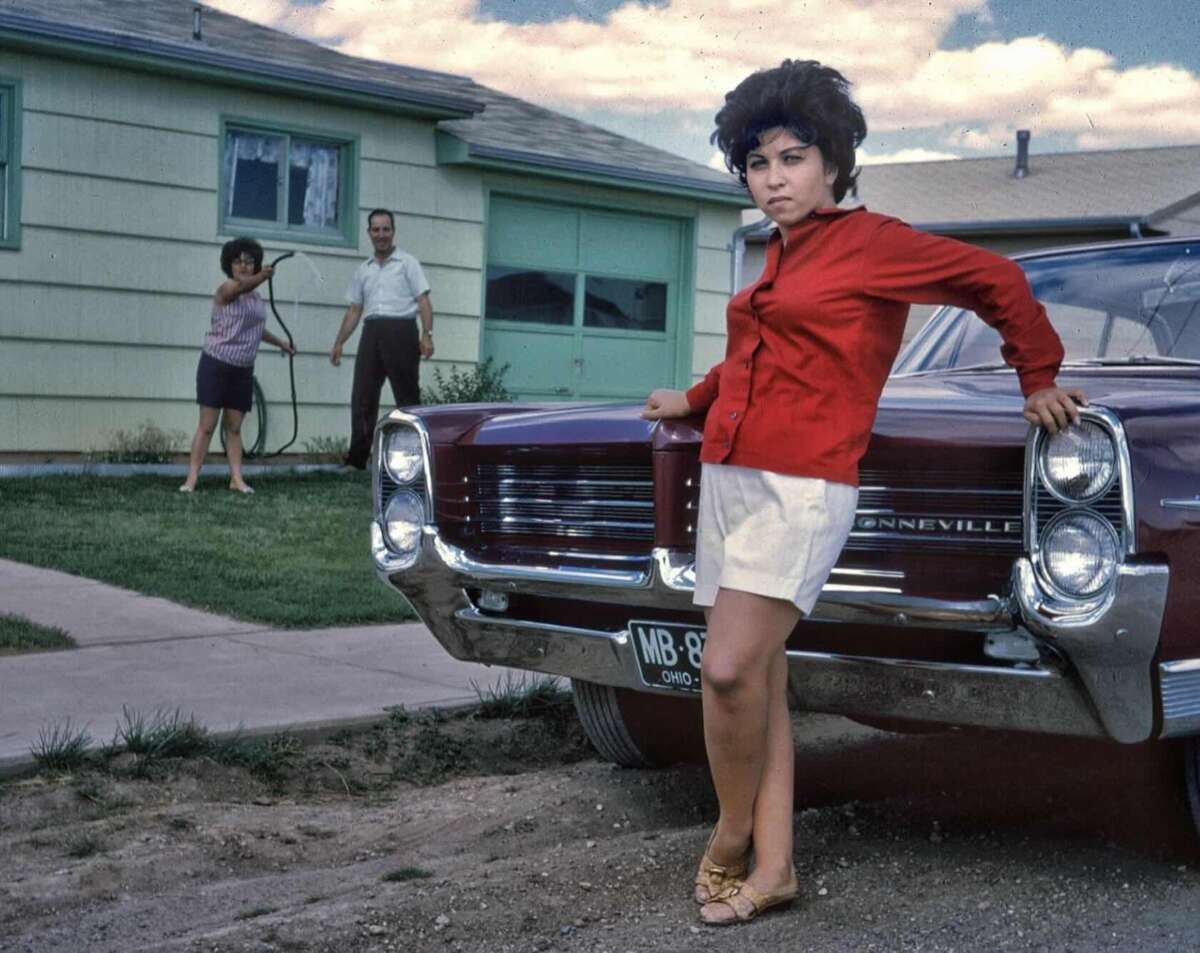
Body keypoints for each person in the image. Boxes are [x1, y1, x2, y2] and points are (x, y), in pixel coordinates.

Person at [641, 60, 1087, 927]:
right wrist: (692, 399)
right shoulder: (778, 255)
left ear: (834, 161)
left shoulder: (874, 243)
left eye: (793, 157)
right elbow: (753, 357)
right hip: (732, 475)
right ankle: (776, 868)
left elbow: (996, 281)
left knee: (725, 670)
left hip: (802, 486)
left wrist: (1037, 375)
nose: (774, 178)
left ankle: (729, 837)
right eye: (758, 163)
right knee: (759, 675)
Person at [180, 238, 295, 494]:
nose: (243, 266)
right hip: (216, 364)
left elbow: (256, 329)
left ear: (256, 264)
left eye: (249, 261)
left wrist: (281, 343)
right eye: (238, 261)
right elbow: (241, 286)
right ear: (229, 265)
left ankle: (236, 479)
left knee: (234, 428)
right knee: (207, 426)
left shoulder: (256, 298)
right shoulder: (226, 289)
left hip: (242, 369)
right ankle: (191, 479)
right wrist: (262, 276)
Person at [330, 209, 434, 470]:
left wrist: (427, 334)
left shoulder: (407, 263)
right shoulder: (363, 270)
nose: (381, 235)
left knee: (407, 397)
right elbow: (354, 310)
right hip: (371, 332)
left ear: (393, 231)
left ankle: (415, 460)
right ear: (369, 233)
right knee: (362, 396)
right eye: (376, 230)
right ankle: (356, 460)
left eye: (386, 229)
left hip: (401, 331)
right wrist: (339, 342)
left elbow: (423, 301)